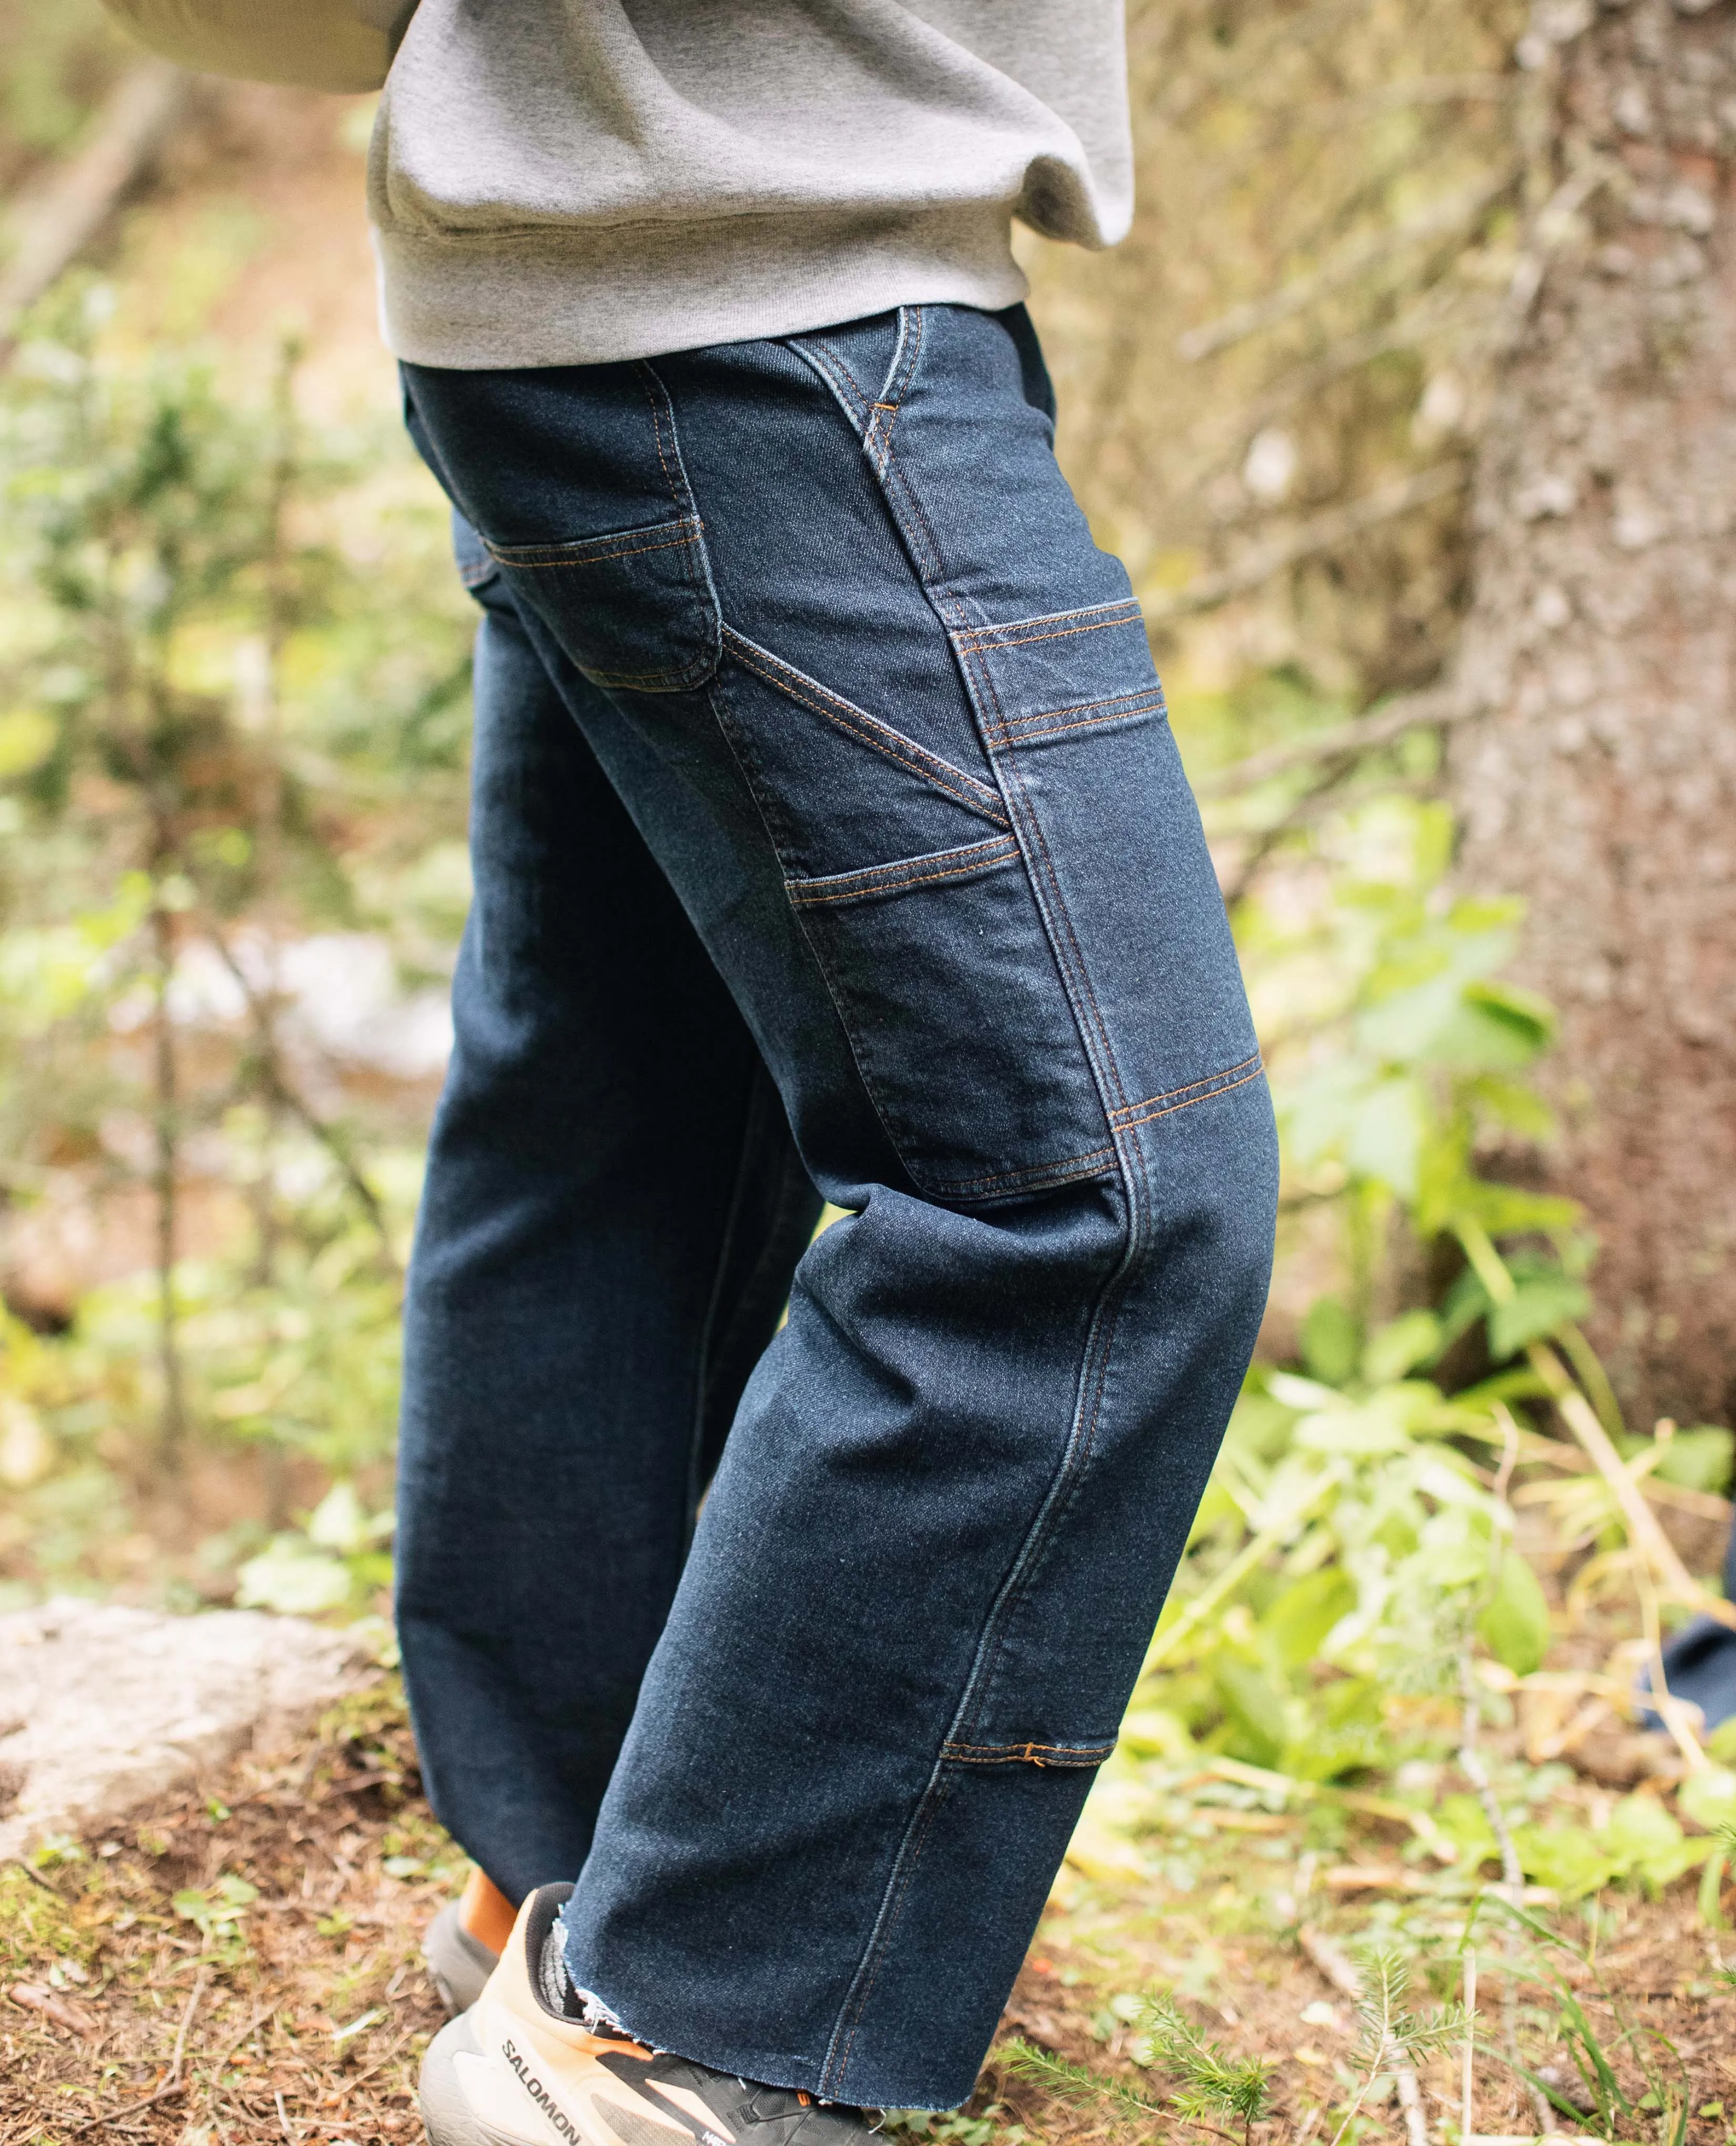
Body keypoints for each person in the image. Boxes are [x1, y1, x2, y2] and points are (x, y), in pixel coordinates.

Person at [100, 6, 1281, 2142]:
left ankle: (569, 1863)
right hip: (758, 293)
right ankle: (686, 2019)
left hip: (610, 280)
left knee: (634, 1102)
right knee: (1093, 1199)